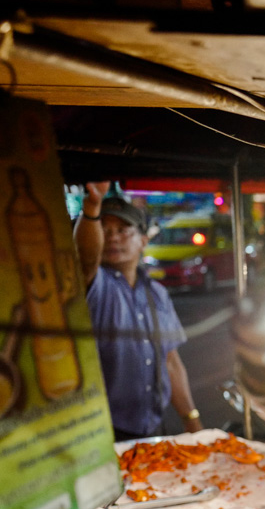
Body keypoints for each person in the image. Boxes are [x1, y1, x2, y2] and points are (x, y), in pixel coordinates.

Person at [74, 184, 202, 441]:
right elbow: (86, 258)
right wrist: (91, 209)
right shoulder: (96, 286)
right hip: (102, 433)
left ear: (143, 241)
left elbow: (171, 361)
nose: (112, 237)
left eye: (122, 230)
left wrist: (193, 422)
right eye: (104, 229)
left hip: (150, 427)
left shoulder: (157, 293)